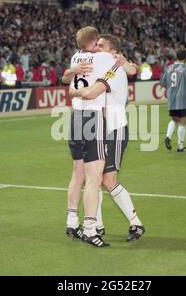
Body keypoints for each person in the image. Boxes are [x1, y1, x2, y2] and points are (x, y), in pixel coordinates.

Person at [65, 34, 145, 243]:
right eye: (96, 44)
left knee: (106, 179)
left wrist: (74, 92)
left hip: (114, 129)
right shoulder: (105, 66)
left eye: (100, 46)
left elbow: (93, 92)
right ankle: (96, 225)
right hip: (101, 127)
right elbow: (133, 68)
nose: (96, 49)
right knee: (96, 177)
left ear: (113, 52)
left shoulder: (114, 70)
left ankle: (134, 221)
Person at [63, 26, 117, 248]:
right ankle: (89, 229)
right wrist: (112, 69)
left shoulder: (76, 57)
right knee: (94, 179)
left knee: (78, 175)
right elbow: (116, 66)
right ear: (95, 42)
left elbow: (66, 78)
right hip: (92, 118)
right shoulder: (102, 58)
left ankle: (71, 221)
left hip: (75, 117)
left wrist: (73, 75)